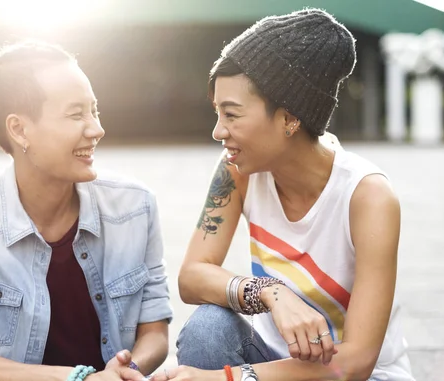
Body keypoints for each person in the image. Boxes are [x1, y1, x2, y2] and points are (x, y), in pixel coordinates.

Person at [155, 8, 414, 381]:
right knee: (208, 328)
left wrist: (223, 379)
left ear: (290, 118)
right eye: (218, 113)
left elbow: (354, 364)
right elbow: (192, 276)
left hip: (356, 375)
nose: (218, 132)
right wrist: (270, 291)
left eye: (232, 114)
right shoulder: (236, 170)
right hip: (272, 359)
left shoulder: (368, 196)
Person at [0, 41, 172, 381]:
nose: (96, 129)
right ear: (19, 129)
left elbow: (154, 332)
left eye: (94, 110)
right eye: (76, 114)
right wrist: (81, 380)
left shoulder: (136, 206)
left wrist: (126, 371)